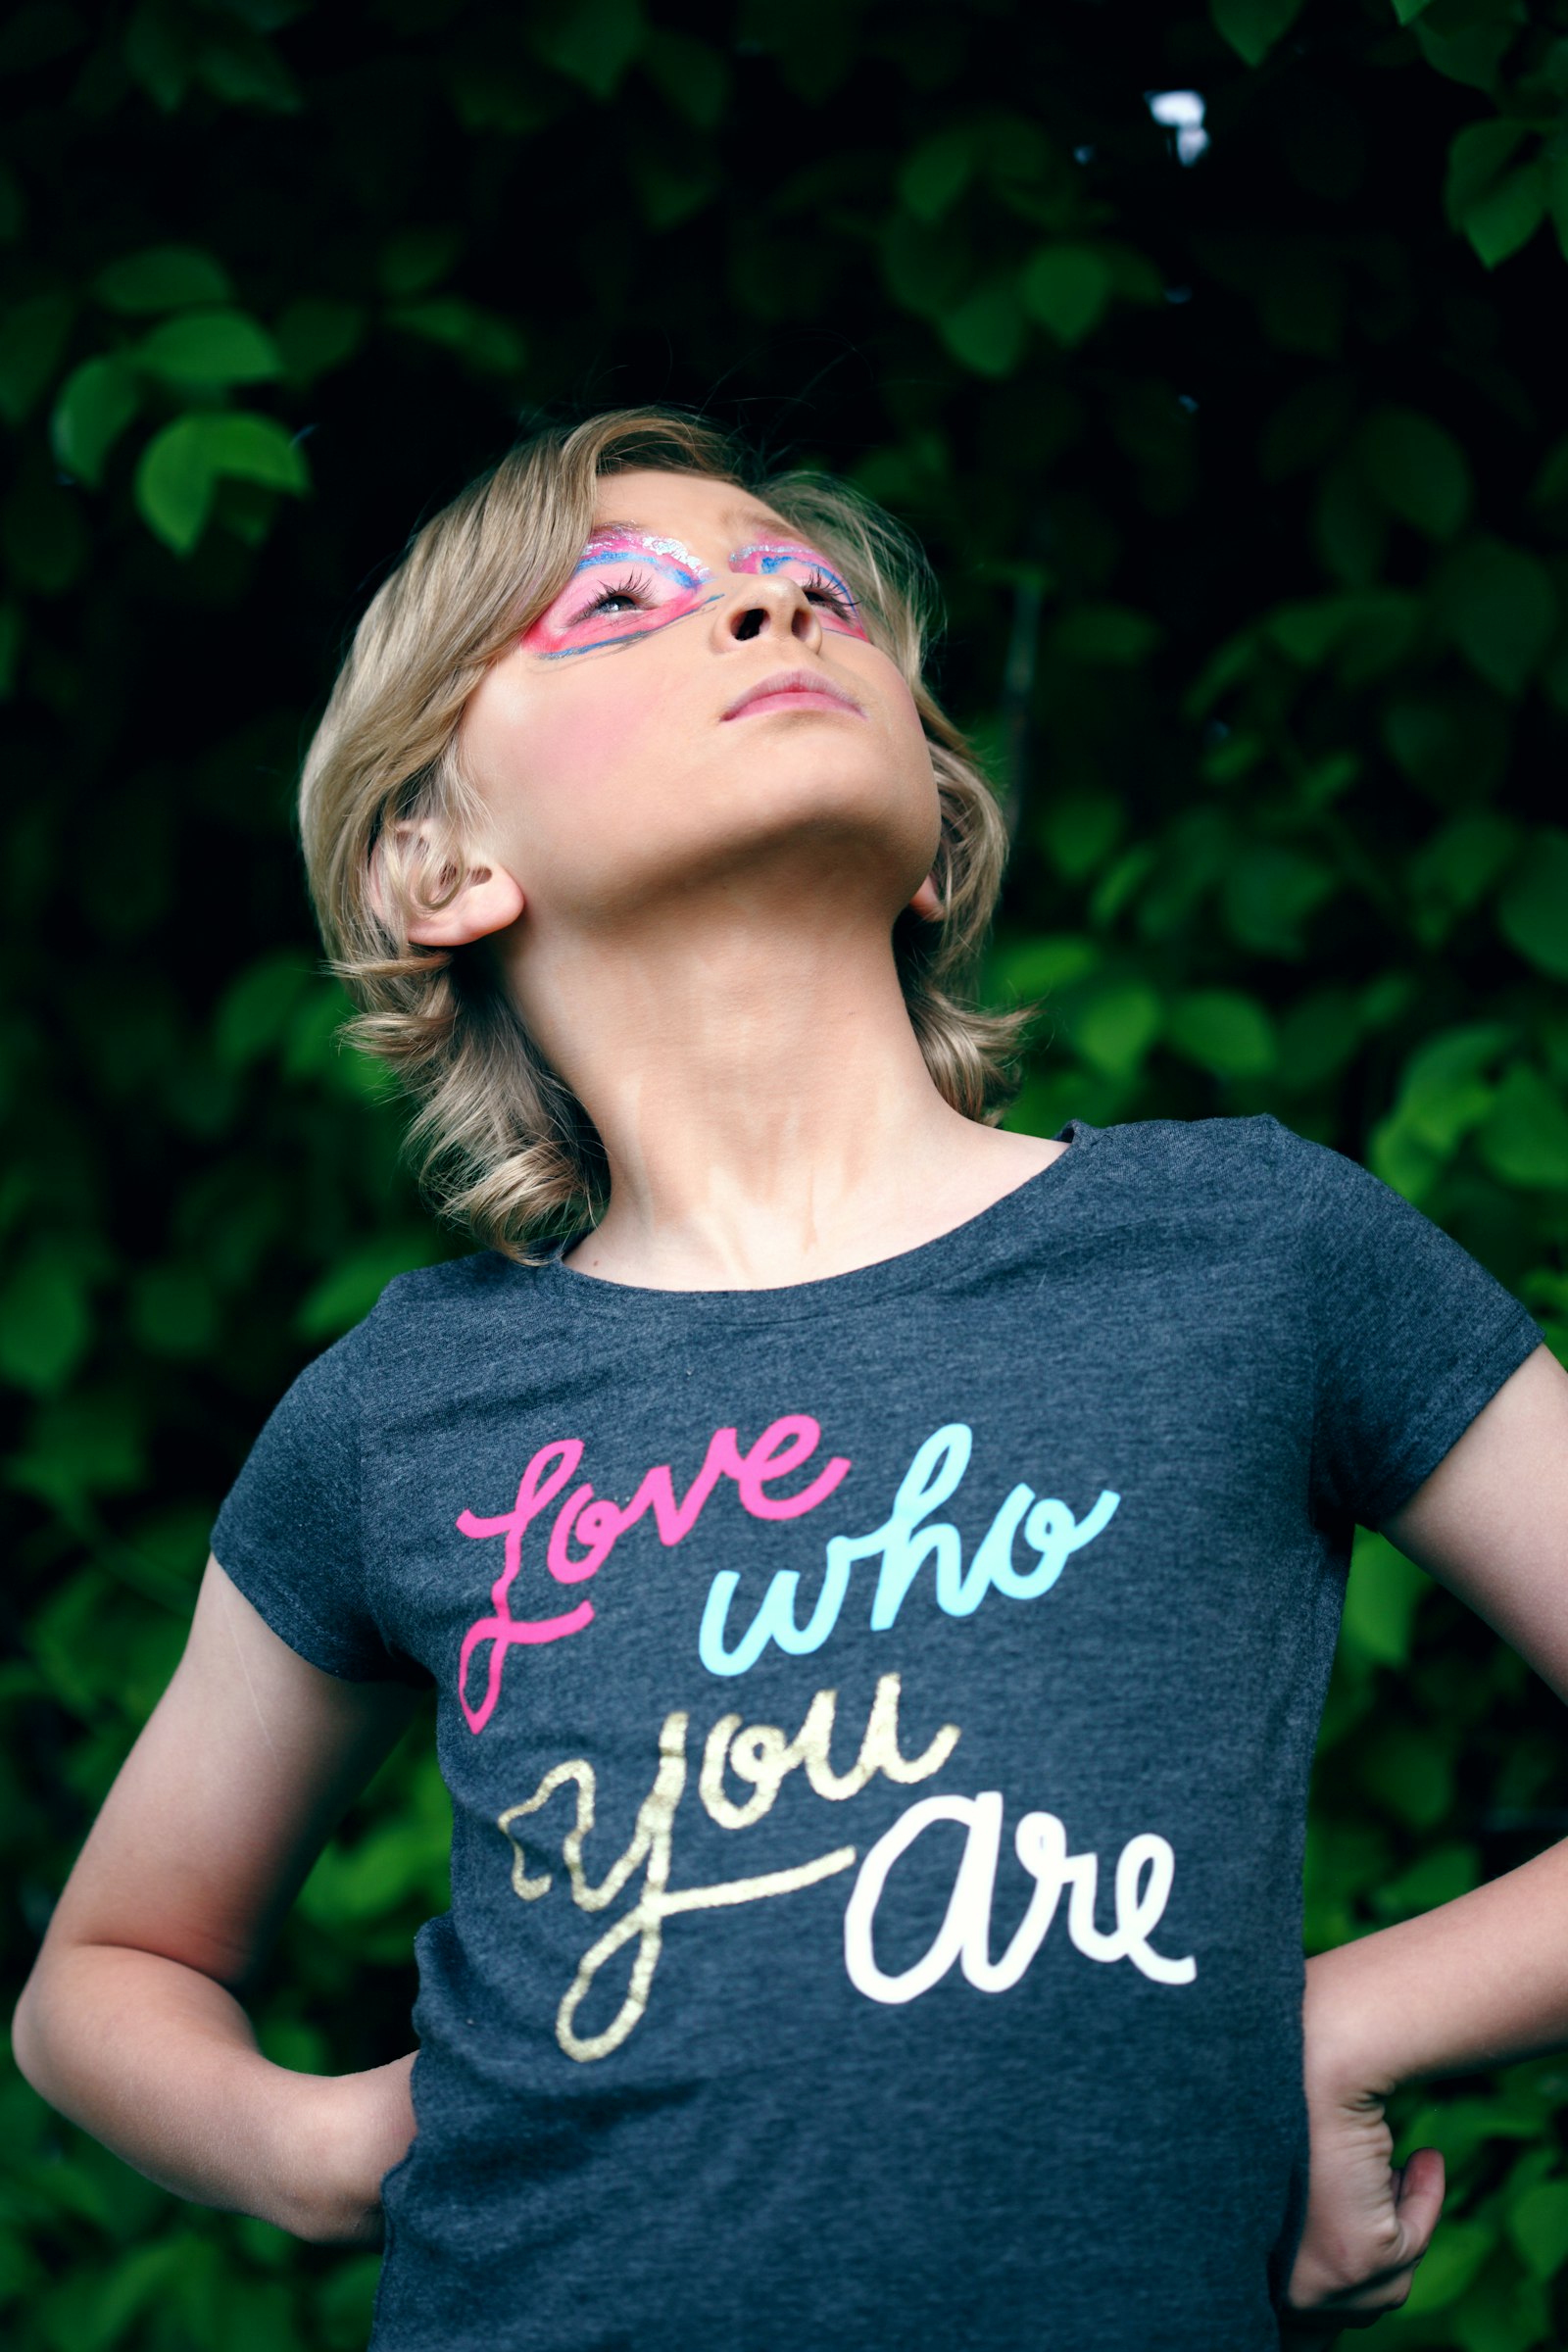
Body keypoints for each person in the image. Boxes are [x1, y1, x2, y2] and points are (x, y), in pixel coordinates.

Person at [12, 405, 1566, 2352]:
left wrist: (1325, 2024)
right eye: (615, 604)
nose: (762, 610)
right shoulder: (396, 1416)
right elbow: (105, 1973)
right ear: (439, 867)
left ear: (933, 826)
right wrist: (314, 2144)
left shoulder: (1253, 1254)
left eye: (807, 587)